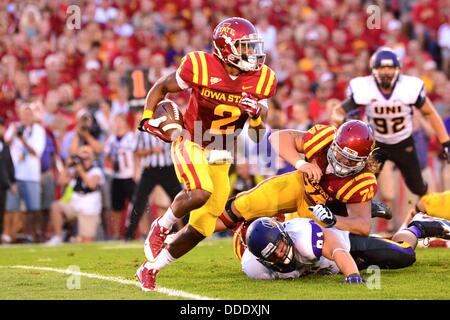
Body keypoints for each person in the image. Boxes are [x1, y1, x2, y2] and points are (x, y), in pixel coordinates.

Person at [135, 17, 277, 291]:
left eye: (252, 47)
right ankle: (162, 225)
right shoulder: (200, 66)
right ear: (226, 49)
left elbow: (258, 135)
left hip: (222, 153)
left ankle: (150, 268)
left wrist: (258, 114)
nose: (252, 53)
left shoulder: (263, 79)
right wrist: (147, 118)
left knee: (202, 228)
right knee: (201, 191)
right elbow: (162, 86)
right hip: (192, 139)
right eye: (245, 47)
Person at [219, 120, 381, 239]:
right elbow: (277, 137)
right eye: (341, 154)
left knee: (300, 245)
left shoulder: (362, 180)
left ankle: (370, 208)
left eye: (351, 161)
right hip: (300, 184)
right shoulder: (323, 140)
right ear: (334, 144)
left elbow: (363, 226)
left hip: (320, 211)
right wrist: (301, 163)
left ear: (364, 160)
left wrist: (334, 219)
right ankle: (199, 232)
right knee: (244, 203)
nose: (343, 162)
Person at [331, 47, 450, 201]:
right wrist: (343, 122)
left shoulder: (408, 88)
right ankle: (354, 220)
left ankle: (429, 215)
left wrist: (446, 141)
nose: (386, 72)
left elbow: (430, 112)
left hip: (403, 142)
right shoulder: (364, 88)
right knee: (362, 184)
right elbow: (337, 112)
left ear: (398, 70)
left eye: (390, 68)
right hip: (376, 145)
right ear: (373, 70)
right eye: (381, 68)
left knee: (417, 186)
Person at [237, 213, 450, 281]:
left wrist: (352, 276)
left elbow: (337, 250)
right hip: (329, 266)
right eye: (273, 255)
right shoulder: (255, 268)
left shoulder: (303, 237)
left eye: (280, 247)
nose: (282, 255)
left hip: (347, 248)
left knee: (404, 254)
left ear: (285, 235)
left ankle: (419, 226)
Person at [46, 145, 105, 244]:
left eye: (86, 157)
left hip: (89, 207)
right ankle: (58, 236)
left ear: (92, 158)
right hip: (74, 203)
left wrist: (80, 170)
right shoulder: (74, 170)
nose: (84, 160)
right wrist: (67, 166)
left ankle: (76, 238)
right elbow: (61, 182)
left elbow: (91, 185)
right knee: (56, 207)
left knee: (87, 241)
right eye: (82, 157)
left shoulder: (96, 170)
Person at [0, 117, 15, 243]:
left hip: (2, 185)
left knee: (1, 211)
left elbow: (9, 165)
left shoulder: (5, 146)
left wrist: (12, 181)